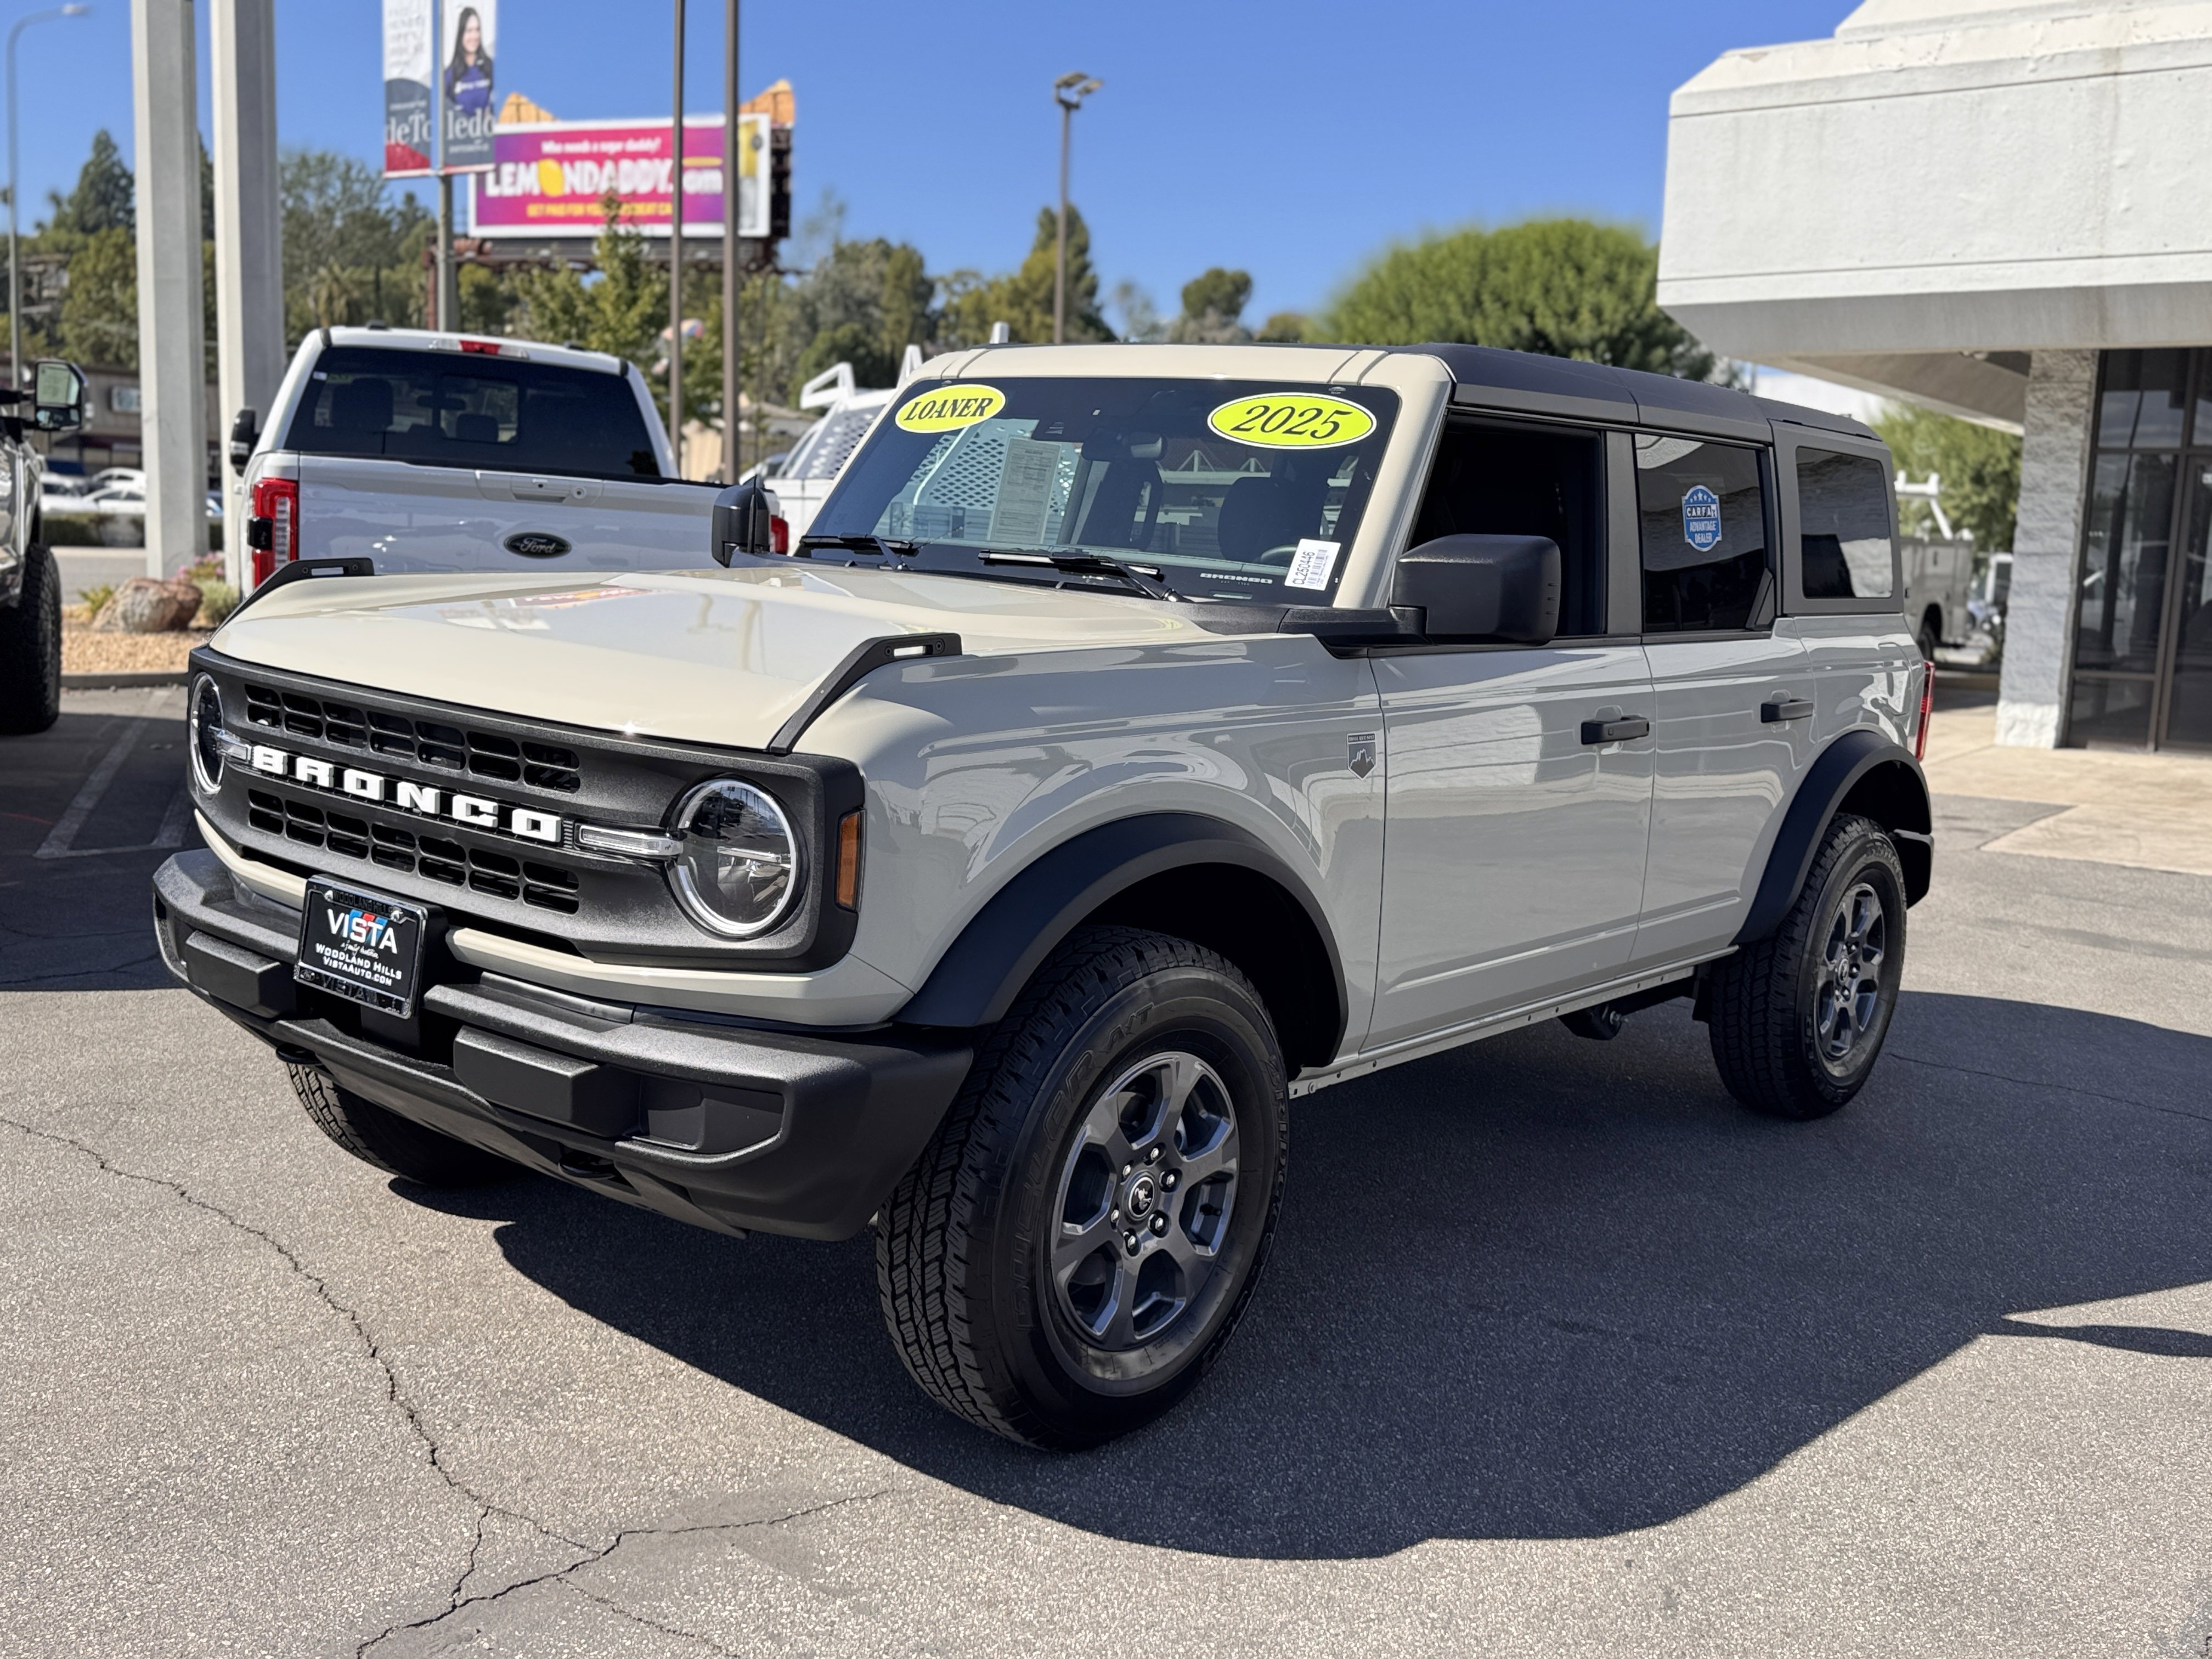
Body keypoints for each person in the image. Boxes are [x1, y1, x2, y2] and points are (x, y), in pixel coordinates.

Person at [445, 8, 493, 114]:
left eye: (477, 30)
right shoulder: (450, 75)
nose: (474, 36)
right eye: (469, 31)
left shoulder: (490, 68)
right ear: (461, 34)